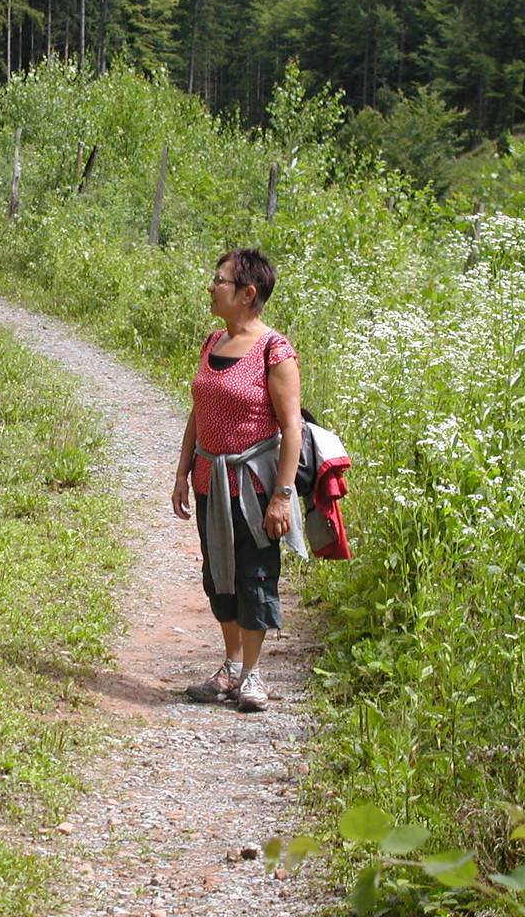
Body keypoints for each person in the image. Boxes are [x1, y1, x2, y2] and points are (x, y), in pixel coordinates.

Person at [171, 248, 306, 712]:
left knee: (255, 574)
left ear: (248, 294)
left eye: (220, 281)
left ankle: (252, 674)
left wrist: (281, 498)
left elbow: (293, 428)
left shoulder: (275, 349)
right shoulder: (213, 342)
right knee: (218, 573)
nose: (211, 286)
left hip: (253, 487)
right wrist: (183, 472)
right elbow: (199, 411)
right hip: (211, 480)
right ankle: (230, 667)